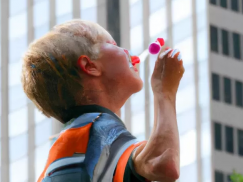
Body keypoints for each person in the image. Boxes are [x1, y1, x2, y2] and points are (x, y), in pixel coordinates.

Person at [21, 19, 185, 182]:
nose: (127, 51)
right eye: (113, 45)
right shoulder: (97, 128)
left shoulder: (70, 141)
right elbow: (161, 162)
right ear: (90, 66)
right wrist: (165, 92)